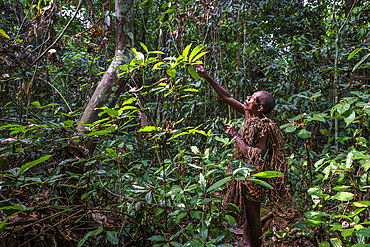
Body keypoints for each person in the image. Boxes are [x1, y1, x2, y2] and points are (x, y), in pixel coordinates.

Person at [196, 65, 289, 247]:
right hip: (242, 171)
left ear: (260, 108)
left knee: (254, 218)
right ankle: (245, 242)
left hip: (254, 175)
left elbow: (255, 154)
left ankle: (255, 245)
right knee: (246, 212)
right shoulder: (248, 112)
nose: (247, 99)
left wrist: (236, 136)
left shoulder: (264, 127)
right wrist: (207, 77)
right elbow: (227, 97)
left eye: (252, 98)